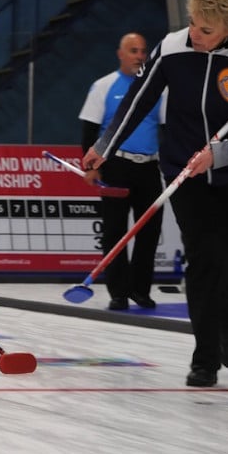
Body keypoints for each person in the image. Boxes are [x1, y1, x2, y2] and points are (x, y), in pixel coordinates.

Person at [82, 0, 228, 387]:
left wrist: (220, 153)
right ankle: (204, 357)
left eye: (206, 29)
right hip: (183, 172)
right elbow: (139, 101)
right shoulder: (173, 47)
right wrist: (105, 144)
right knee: (203, 261)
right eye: (192, 21)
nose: (194, 33)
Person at [78, 32, 165, 311]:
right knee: (115, 231)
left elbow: (167, 129)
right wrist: (91, 167)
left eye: (143, 51)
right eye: (133, 50)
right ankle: (118, 293)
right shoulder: (103, 86)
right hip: (116, 166)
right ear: (120, 54)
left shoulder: (158, 89)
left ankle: (141, 290)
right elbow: (89, 130)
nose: (139, 56)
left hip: (149, 167)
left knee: (149, 231)